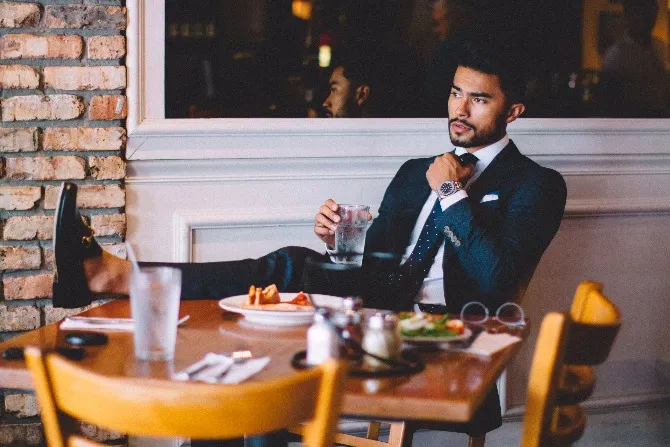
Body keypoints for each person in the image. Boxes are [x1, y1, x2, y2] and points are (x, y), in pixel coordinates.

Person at [53, 37, 566, 440]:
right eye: (456, 93)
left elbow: (497, 279)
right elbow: (373, 263)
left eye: (479, 99)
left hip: (443, 332)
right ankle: (119, 279)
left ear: (513, 111)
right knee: (248, 350)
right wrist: (338, 240)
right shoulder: (416, 172)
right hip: (370, 310)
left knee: (286, 278)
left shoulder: (536, 185)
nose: (460, 108)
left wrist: (451, 192)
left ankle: (118, 277)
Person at [599, 0, 670, 117]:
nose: (646, 19)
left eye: (651, 12)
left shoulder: (662, 47)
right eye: (639, 12)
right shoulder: (615, 56)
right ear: (628, 15)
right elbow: (609, 106)